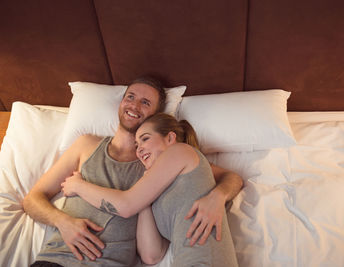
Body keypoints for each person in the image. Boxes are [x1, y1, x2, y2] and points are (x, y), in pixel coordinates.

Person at [23, 76, 243, 267]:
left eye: (145, 102)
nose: (134, 105)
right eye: (130, 97)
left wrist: (217, 196)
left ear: (155, 116)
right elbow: (32, 199)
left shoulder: (161, 161)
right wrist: (63, 222)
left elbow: (229, 177)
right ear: (121, 102)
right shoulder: (85, 145)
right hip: (58, 260)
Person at [61, 113, 239, 266]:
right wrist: (144, 198)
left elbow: (126, 205)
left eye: (145, 139)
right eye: (136, 145)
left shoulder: (181, 152)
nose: (139, 150)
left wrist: (78, 185)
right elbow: (151, 255)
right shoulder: (161, 187)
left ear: (170, 138)